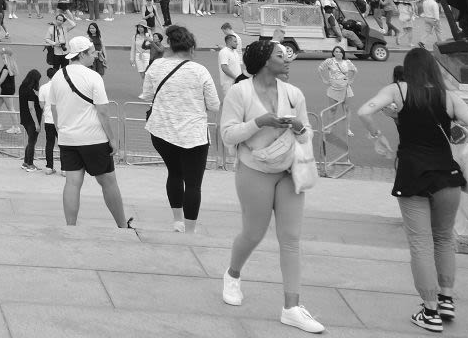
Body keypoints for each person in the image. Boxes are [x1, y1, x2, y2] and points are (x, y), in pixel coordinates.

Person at [356, 46, 468, 330]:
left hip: (412, 173)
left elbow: (364, 111)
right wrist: (462, 130)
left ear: (408, 69)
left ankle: (429, 311)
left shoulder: (398, 91)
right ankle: (445, 299)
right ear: (433, 68)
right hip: (447, 174)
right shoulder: (449, 97)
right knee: (444, 239)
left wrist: (377, 134)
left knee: (420, 242)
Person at [220, 38, 322, 334]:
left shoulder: (293, 93)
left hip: (290, 169)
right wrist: (260, 122)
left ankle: (292, 307)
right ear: (266, 61)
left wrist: (301, 128)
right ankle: (232, 274)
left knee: (290, 238)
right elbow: (228, 134)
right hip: (254, 169)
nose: (287, 58)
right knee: (253, 232)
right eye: (281, 55)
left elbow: (306, 133)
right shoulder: (240, 92)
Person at [142, 24, 220, 234]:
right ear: (190, 48)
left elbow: (148, 96)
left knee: (174, 173)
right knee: (193, 184)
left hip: (161, 130)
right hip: (193, 134)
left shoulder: (156, 67)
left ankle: (177, 221)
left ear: (169, 45)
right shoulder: (199, 70)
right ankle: (190, 230)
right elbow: (214, 105)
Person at [51, 35, 133, 231]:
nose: (95, 55)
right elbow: (103, 111)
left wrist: (60, 131)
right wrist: (112, 139)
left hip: (68, 137)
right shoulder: (93, 76)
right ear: (82, 54)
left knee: (72, 183)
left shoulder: (58, 76)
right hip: (93, 137)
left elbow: (54, 109)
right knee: (108, 182)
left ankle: (70, 226)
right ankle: (122, 225)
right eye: (91, 52)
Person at [18, 68, 54, 174]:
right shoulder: (29, 91)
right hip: (31, 120)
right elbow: (31, 108)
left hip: (24, 118)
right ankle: (30, 164)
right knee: (32, 142)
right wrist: (37, 123)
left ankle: (25, 162)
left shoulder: (22, 88)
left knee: (30, 141)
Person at [318, 46, 357, 138]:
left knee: (346, 109)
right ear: (333, 53)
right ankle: (330, 128)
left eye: (340, 51)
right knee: (332, 109)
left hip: (345, 88)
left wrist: (351, 80)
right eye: (336, 51)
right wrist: (324, 80)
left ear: (343, 53)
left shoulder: (347, 62)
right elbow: (319, 69)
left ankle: (347, 128)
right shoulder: (329, 61)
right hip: (333, 89)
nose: (338, 53)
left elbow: (355, 70)